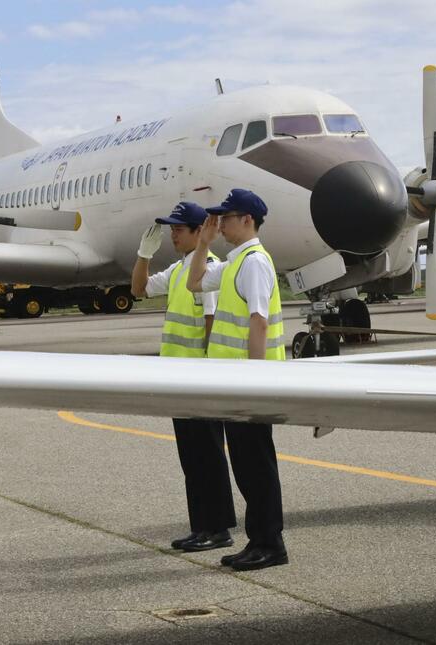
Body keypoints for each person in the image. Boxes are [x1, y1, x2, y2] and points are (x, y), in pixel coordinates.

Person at [187, 188, 288, 571]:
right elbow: (195, 282)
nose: (220, 224)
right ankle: (258, 540)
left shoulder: (255, 262)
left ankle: (270, 544)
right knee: (246, 467)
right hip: (235, 385)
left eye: (226, 218)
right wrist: (203, 243)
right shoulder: (234, 262)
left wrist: (254, 380)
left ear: (247, 219)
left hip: (250, 385)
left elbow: (258, 321)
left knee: (257, 467)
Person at [131, 202, 235, 553]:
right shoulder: (179, 270)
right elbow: (139, 289)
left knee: (208, 455)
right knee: (192, 458)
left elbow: (210, 322)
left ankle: (218, 528)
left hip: (199, 378)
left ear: (197, 231)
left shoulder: (208, 270)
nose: (172, 233)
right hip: (178, 378)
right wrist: (144, 255)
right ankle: (200, 526)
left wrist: (206, 374)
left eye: (178, 228)